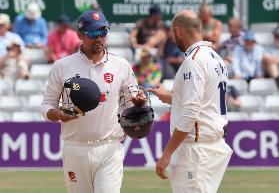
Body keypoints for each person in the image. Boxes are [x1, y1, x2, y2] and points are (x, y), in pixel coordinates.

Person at [41, 10, 145, 193]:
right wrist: (58, 114)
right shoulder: (62, 67)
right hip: (75, 148)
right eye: (93, 34)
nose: (99, 38)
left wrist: (138, 102)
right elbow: (46, 106)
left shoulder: (121, 65)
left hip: (109, 147)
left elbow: (131, 101)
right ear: (80, 35)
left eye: (103, 32)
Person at [148, 10, 232, 193]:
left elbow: (191, 112)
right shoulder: (215, 58)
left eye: (172, 32)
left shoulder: (193, 61)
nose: (172, 37)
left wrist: (167, 153)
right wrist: (170, 98)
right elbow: (205, 101)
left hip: (195, 151)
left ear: (178, 31)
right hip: (210, 146)